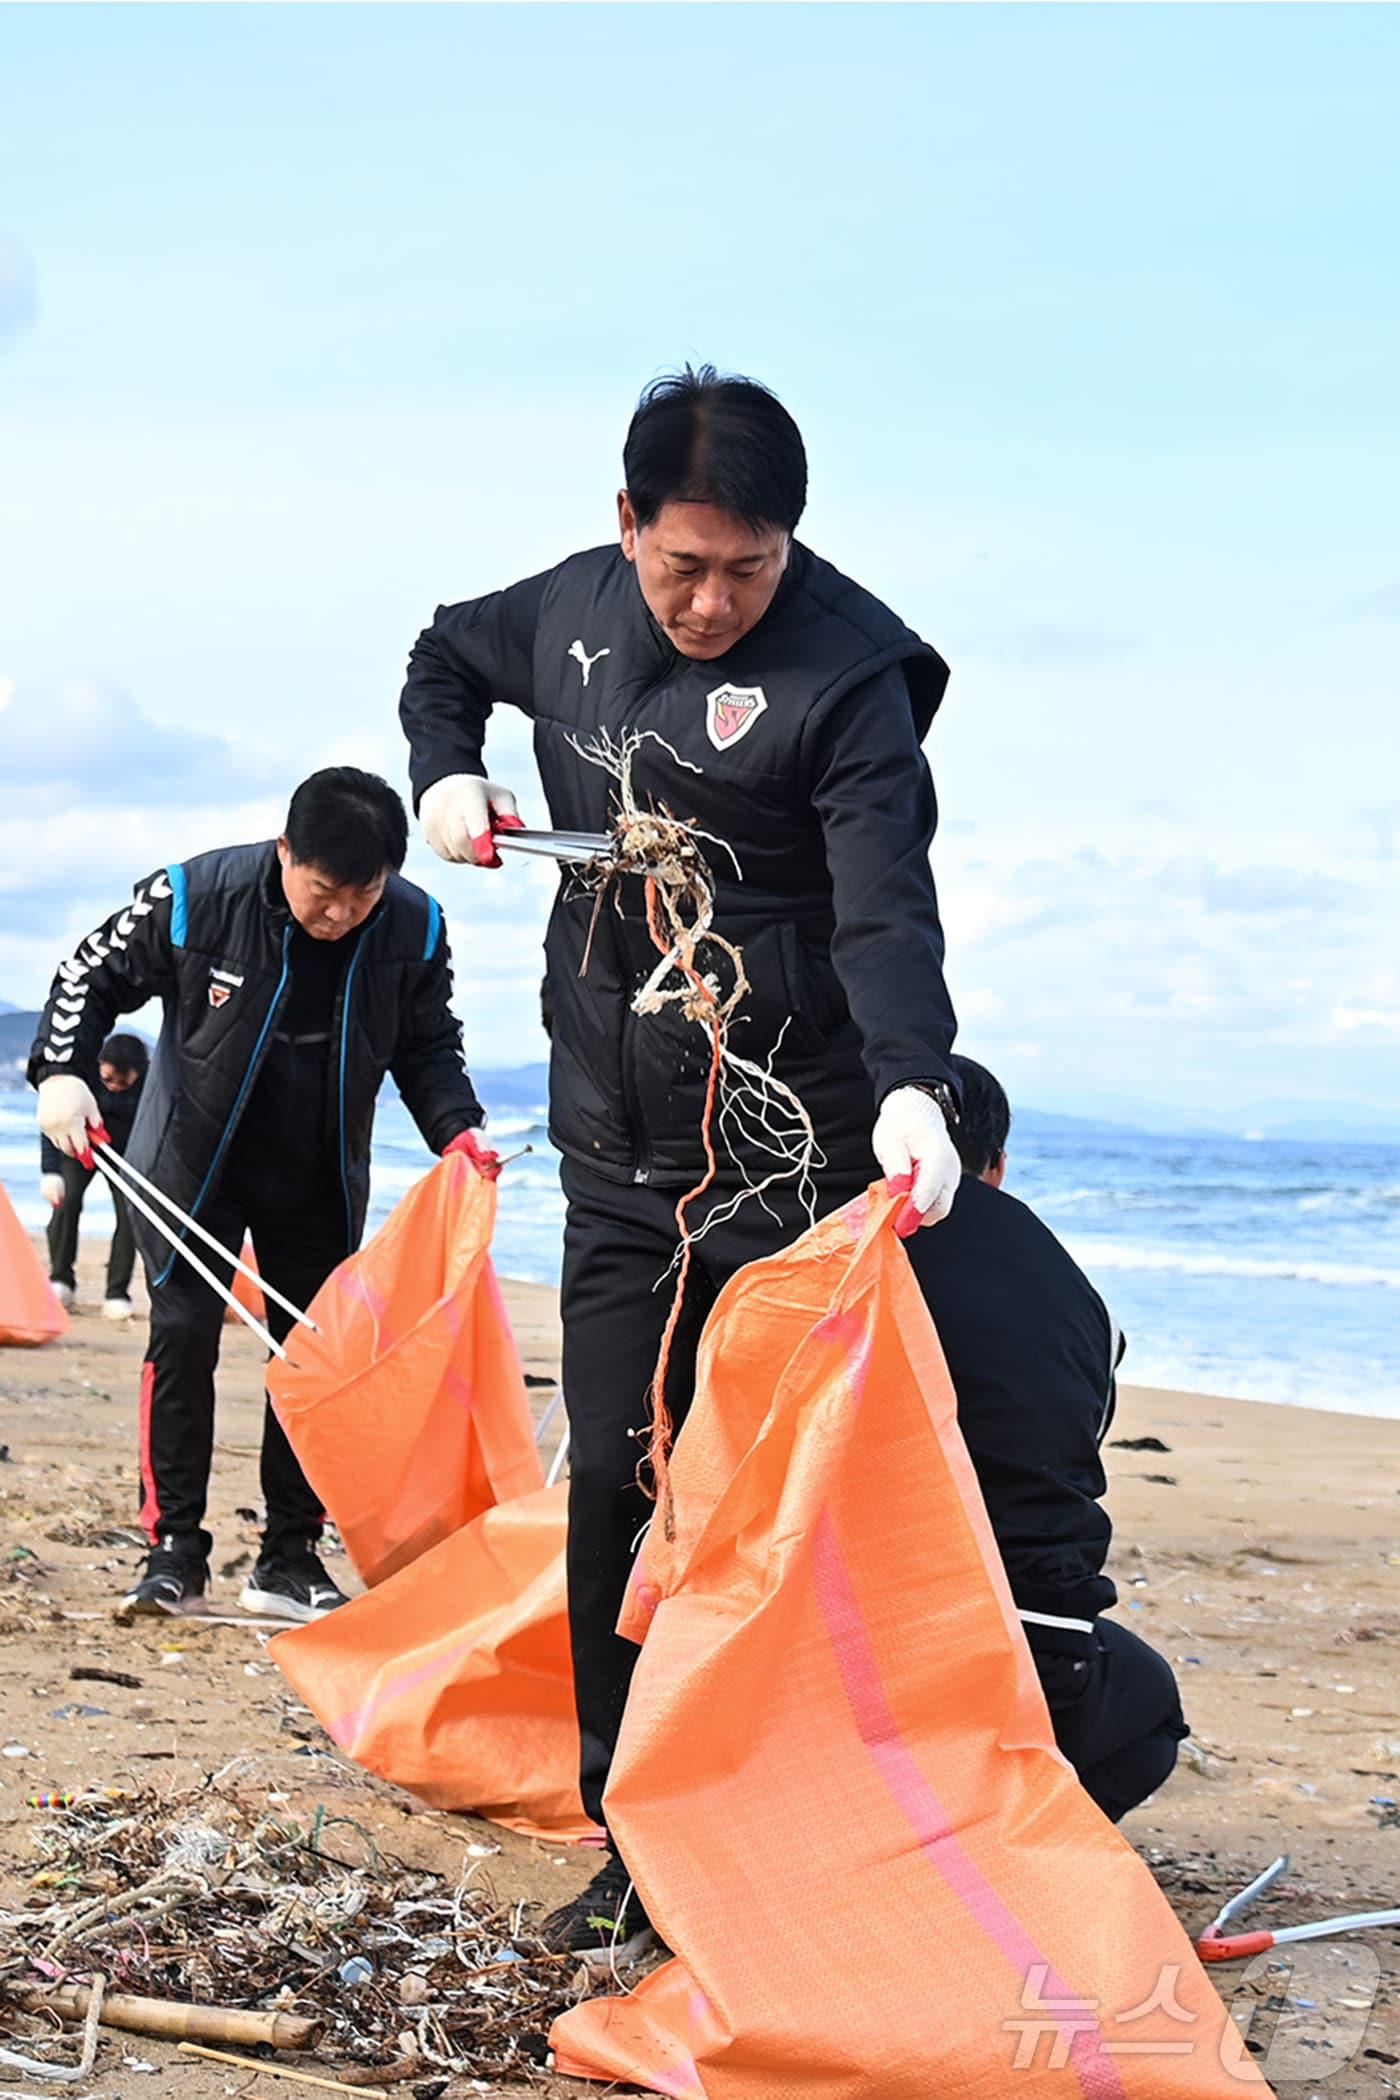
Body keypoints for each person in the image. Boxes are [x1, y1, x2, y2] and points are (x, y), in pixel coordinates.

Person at [400, 366, 964, 1956]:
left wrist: (913, 1085)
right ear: (626, 522)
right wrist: (450, 772)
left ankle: (777, 1800)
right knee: (617, 1479)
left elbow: (883, 909)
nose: (714, 601)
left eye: (752, 568)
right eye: (684, 565)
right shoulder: (569, 614)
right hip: (613, 1143)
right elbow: (442, 653)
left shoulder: (850, 678)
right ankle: (628, 1826)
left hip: (787, 1158)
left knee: (760, 1505)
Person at [29, 768, 494, 1622]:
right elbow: (85, 971)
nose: (340, 914)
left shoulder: (416, 926)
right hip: (192, 1162)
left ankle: (288, 1556)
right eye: (324, 893)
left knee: (311, 1358)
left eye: (362, 896)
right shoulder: (193, 897)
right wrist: (61, 1074)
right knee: (182, 1341)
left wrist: (458, 1131)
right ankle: (175, 1552)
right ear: (285, 853)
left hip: (318, 1168)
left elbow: (429, 1046)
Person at [921, 1054, 1189, 1823]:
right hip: (1031, 1649)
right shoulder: (1084, 1302)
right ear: (997, 1167)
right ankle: (1007, 1850)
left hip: (835, 1639)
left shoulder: (829, 1249)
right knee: (1149, 1709)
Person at [42, 1032, 147, 1318]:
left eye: (124, 1083)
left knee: (129, 1218)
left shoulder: (153, 1084)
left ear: (139, 1072)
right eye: (108, 1079)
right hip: (80, 1147)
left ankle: (116, 1293)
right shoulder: (82, 1073)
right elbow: (54, 1120)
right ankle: (61, 1278)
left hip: (127, 1156)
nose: (114, 1088)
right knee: (67, 1201)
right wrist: (50, 1171)